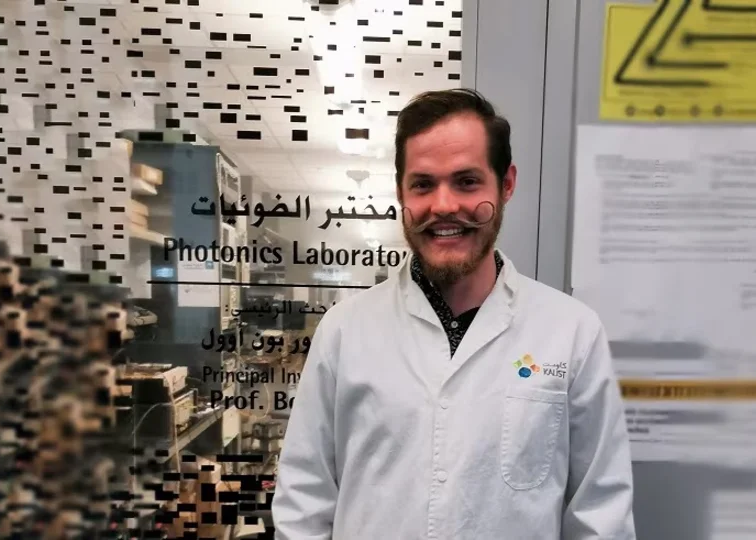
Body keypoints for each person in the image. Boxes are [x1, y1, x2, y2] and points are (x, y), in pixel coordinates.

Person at [271, 88, 636, 539]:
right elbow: (303, 504)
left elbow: (601, 515)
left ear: (506, 184)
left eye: (466, 182)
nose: (443, 206)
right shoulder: (345, 331)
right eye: (423, 184)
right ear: (401, 193)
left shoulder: (571, 333)